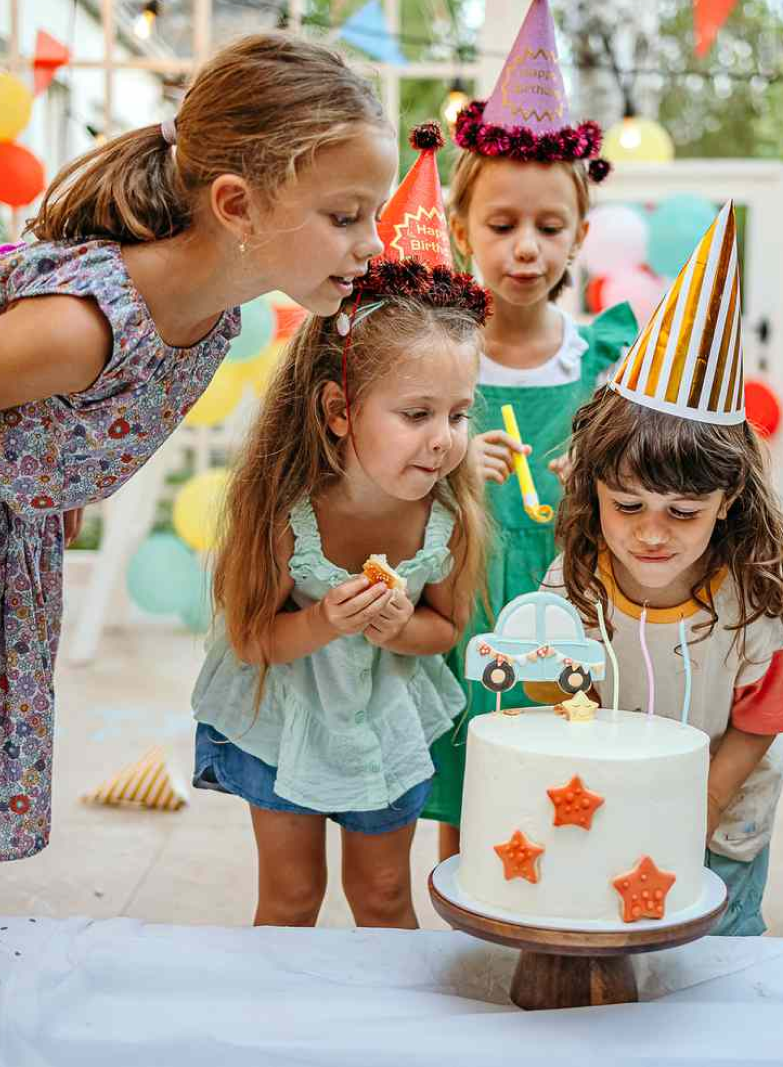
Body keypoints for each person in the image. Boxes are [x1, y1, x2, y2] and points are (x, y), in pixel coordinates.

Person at [0, 33, 395, 913]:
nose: (370, 243)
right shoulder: (82, 325)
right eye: (345, 215)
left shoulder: (212, 320)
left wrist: (38, 482)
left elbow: (18, 426)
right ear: (236, 204)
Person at [190, 126, 490, 929]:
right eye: (417, 413)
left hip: (382, 720)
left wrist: (399, 629)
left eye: (459, 414)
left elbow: (446, 629)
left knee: (385, 895)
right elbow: (252, 639)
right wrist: (323, 619)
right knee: (291, 896)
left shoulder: (450, 517)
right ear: (337, 410)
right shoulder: (286, 513)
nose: (445, 438)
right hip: (281, 715)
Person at [531, 203, 783, 936]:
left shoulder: (748, 597)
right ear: (589, 485)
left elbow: (766, 716)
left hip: (720, 827)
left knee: (714, 946)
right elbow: (551, 678)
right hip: (602, 804)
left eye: (683, 512)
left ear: (728, 501)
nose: (652, 534)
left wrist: (707, 803)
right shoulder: (573, 585)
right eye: (627, 504)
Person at [422, 0, 637, 859]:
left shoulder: (604, 359)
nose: (525, 250)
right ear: (460, 227)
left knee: (563, 806)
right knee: (462, 803)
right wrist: (451, 459)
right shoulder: (435, 358)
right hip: (457, 606)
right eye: (502, 225)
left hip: (568, 610)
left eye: (549, 228)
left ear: (581, 235)